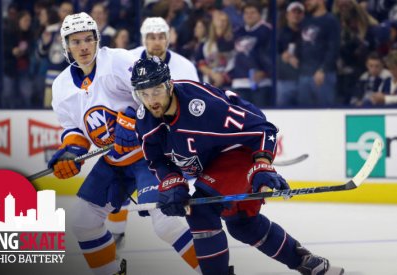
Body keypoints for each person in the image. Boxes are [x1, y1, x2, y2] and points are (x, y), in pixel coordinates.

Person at [130, 56, 345, 275]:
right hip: (212, 162)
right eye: (143, 93)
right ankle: (308, 263)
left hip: (237, 148)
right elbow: (157, 159)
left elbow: (262, 129)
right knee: (242, 225)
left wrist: (261, 164)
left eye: (156, 90)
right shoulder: (145, 118)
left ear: (169, 85)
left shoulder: (203, 107)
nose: (151, 100)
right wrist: (172, 182)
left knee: (201, 212)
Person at [49, 12, 199, 274]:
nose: (83, 47)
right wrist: (71, 152)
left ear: (97, 40)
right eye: (76, 42)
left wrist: (133, 118)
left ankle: (212, 269)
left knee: (166, 221)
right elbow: (73, 129)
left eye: (88, 39)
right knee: (83, 223)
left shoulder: (117, 60)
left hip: (149, 154)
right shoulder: (61, 87)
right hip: (114, 161)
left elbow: (154, 92)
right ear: (66, 46)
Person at [107, 16, 199, 249]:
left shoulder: (185, 67)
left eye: (160, 37)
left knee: (163, 212)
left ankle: (196, 237)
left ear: (168, 39)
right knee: (116, 188)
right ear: (143, 39)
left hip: (164, 141)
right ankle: (116, 235)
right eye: (151, 37)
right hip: (132, 136)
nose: (156, 42)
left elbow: (192, 108)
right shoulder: (127, 60)